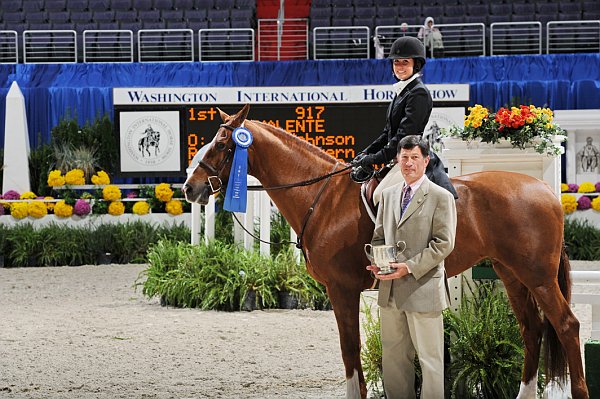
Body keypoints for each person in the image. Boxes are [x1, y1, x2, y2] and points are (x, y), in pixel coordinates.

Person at [367, 135, 457, 399]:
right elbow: (379, 237)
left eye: (414, 158)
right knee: (394, 358)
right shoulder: (388, 195)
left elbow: (444, 243)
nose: (408, 163)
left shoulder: (441, 197)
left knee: (430, 360)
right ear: (397, 160)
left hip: (423, 288)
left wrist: (408, 267)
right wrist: (378, 262)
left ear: (426, 161)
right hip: (390, 289)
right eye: (404, 158)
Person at [351, 36, 457, 202]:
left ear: (416, 65)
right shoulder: (402, 92)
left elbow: (404, 136)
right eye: (396, 62)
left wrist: (375, 159)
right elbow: (388, 133)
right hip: (400, 157)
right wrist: (367, 152)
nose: (399, 67)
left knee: (380, 195)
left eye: (405, 62)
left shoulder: (418, 93)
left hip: (412, 158)